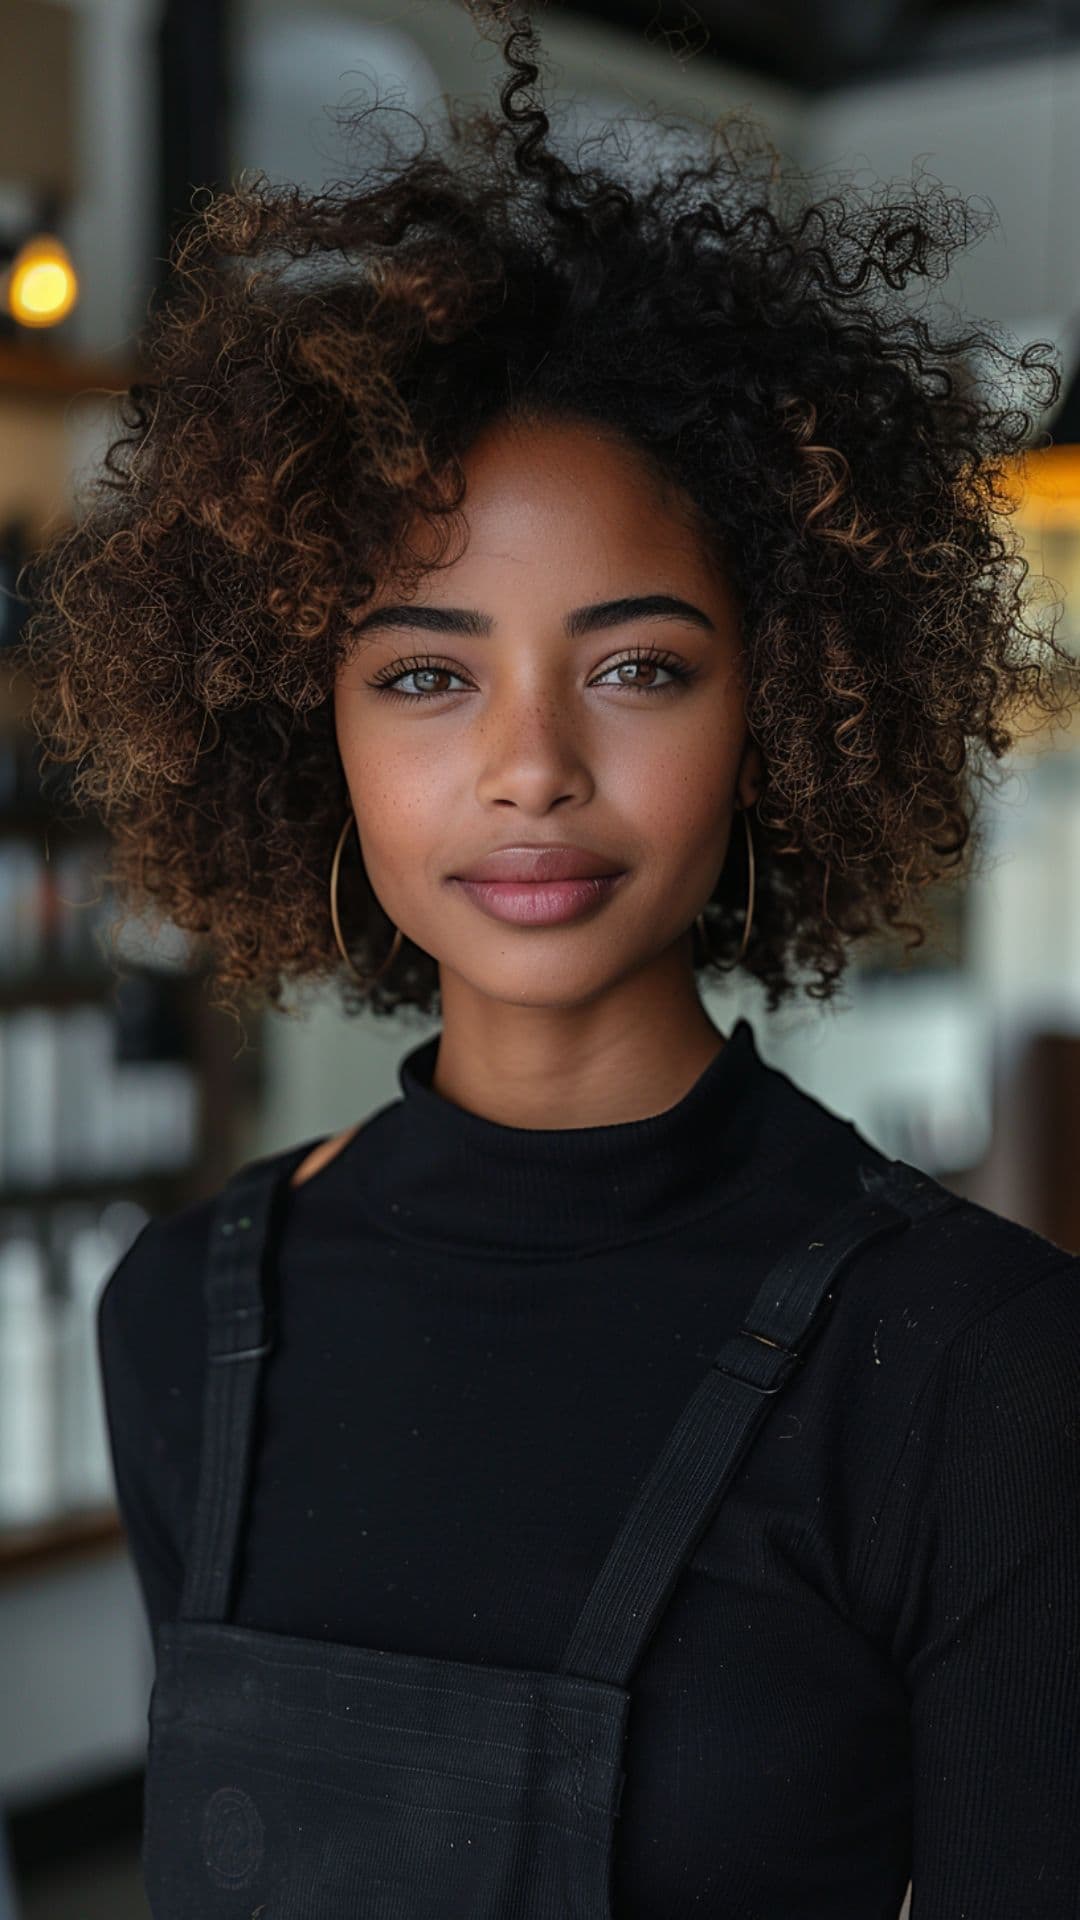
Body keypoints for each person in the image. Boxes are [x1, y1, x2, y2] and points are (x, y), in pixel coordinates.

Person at [16, 3, 1080, 1914]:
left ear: (787, 710)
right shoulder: (179, 1314)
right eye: (426, 674)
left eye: (638, 668)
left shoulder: (976, 1367)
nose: (528, 767)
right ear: (301, 728)